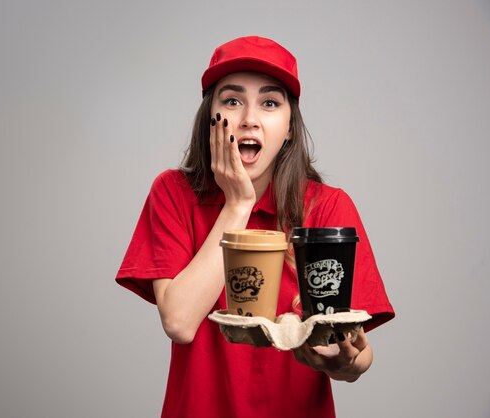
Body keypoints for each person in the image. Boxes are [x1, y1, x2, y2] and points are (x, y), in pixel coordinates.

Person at [116, 35, 394, 418]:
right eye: (231, 100)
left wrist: (346, 364)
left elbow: (358, 351)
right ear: (209, 118)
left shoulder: (328, 207)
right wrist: (239, 204)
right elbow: (179, 322)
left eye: (269, 103)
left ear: (290, 127)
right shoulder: (172, 193)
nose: (249, 118)